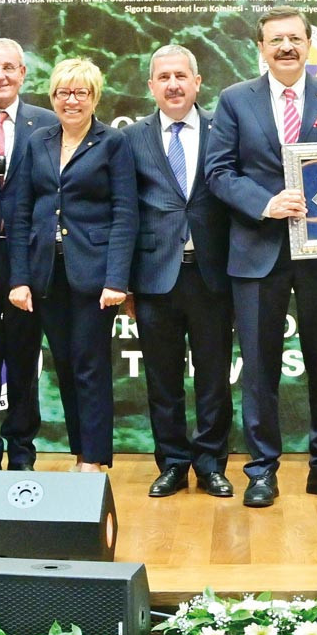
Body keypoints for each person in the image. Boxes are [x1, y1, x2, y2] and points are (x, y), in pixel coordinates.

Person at [207, 6, 317, 508]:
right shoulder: (234, 100)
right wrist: (266, 204)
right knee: (258, 370)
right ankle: (261, 471)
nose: (286, 47)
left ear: (309, 43)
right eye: (276, 40)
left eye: (295, 38)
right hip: (257, 250)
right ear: (261, 48)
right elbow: (219, 172)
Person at [8, 58, 136, 473]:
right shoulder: (38, 141)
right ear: (53, 98)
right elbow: (22, 213)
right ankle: (80, 452)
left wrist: (117, 279)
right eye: (63, 92)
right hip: (47, 275)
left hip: (95, 277)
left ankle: (93, 460)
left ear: (94, 97)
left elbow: (125, 214)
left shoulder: (113, 142)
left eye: (81, 92)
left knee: (89, 365)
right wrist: (19, 278)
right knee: (64, 364)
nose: (72, 100)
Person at [123, 45, 234, 497]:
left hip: (212, 274)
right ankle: (172, 463)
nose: (173, 85)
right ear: (151, 86)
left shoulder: (223, 130)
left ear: (197, 82)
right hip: (154, 277)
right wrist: (125, 283)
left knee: (214, 378)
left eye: (181, 76)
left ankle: (211, 464)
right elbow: (124, 212)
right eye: (164, 77)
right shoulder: (131, 138)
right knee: (162, 380)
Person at [0, 38, 56, 472]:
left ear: (23, 73)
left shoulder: (47, 123)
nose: (0, 75)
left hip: (29, 259)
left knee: (24, 359)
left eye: (8, 67)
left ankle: (22, 451)